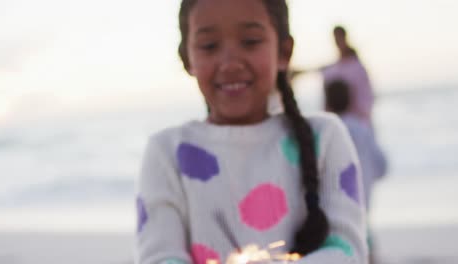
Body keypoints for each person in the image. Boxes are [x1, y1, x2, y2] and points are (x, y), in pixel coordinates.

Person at [135, 1, 368, 263]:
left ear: (284, 51)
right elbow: (159, 256)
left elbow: (347, 251)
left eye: (250, 41)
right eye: (210, 46)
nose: (230, 63)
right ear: (187, 58)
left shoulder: (325, 138)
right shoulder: (166, 153)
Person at [325, 80, 387, 263]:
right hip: (362, 209)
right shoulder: (362, 129)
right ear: (351, 101)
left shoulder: (327, 132)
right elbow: (382, 167)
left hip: (334, 217)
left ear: (327, 102)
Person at [320, 26, 375, 126]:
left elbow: (366, 98)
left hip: (357, 120)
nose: (337, 42)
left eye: (339, 38)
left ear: (345, 37)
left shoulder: (356, 67)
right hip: (341, 121)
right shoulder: (334, 69)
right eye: (335, 38)